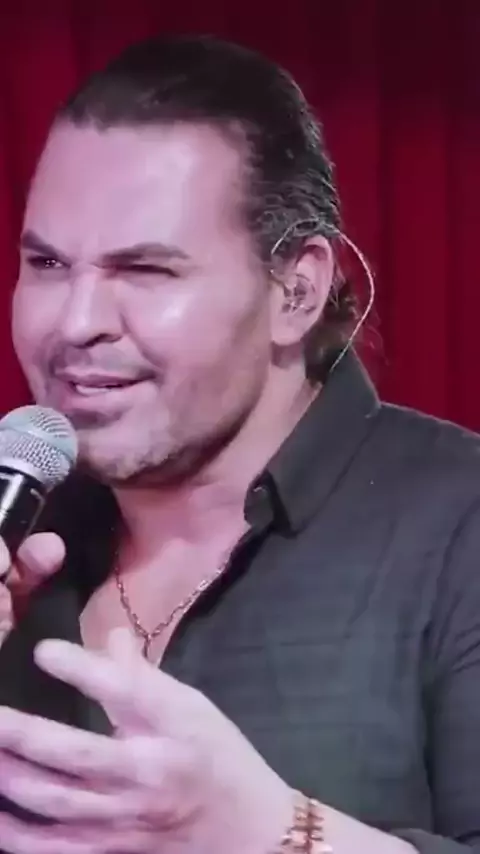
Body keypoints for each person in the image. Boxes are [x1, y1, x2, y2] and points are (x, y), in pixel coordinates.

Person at [0, 32, 478, 854]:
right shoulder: (24, 539)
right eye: (47, 264)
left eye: (145, 270)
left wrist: (273, 834)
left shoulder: (457, 524)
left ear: (297, 290)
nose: (74, 324)